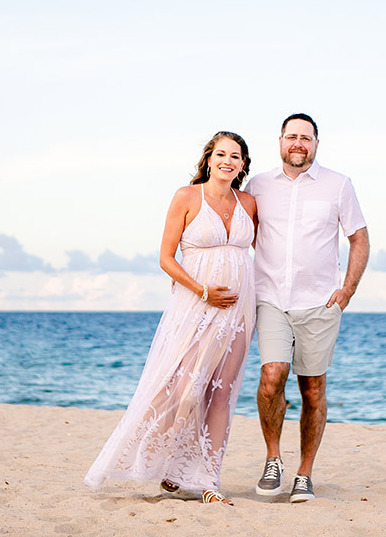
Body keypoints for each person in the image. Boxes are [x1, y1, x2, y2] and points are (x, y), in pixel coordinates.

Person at [84, 131, 258, 506]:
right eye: (222, 154)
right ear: (209, 158)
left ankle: (209, 478)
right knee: (185, 389)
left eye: (236, 156)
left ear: (243, 164)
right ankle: (168, 466)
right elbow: (166, 258)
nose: (228, 161)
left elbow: (260, 253)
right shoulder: (186, 196)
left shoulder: (249, 202)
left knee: (223, 394)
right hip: (197, 306)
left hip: (240, 313)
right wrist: (203, 290)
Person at [246, 113, 369, 503]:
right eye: (292, 136)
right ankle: (272, 460)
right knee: (272, 375)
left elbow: (359, 238)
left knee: (313, 390)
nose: (298, 143)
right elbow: (242, 235)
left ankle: (304, 474)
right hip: (270, 299)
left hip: (319, 301)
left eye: (306, 137)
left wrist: (347, 289)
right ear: (280, 141)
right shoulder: (257, 186)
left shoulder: (338, 185)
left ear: (316, 144)